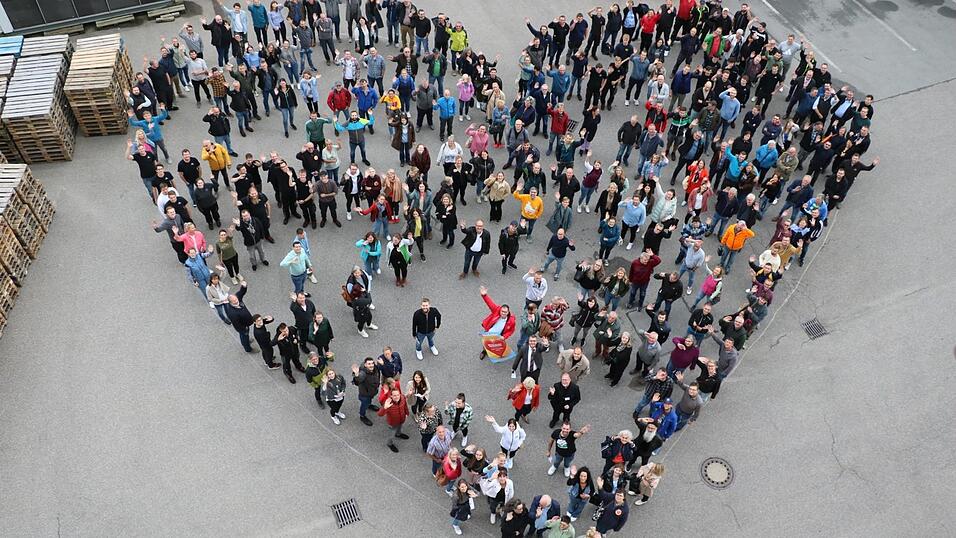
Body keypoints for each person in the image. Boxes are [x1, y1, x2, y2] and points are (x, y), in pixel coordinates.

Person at [477, 285, 516, 361]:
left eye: (505, 312)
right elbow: (490, 303)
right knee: (486, 344)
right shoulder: (496, 310)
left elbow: (511, 331)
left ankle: (496, 353)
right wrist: (484, 295)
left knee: (497, 345)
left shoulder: (511, 321)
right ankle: (484, 351)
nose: (503, 313)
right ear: (500, 310)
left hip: (499, 336)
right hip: (489, 333)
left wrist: (504, 337)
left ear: (508, 312)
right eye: (502, 311)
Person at [377, 387, 410, 453]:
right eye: (394, 395)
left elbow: (405, 406)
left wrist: (407, 413)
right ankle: (390, 444)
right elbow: (379, 414)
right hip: (392, 423)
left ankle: (398, 434)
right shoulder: (388, 404)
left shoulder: (402, 398)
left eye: (398, 395)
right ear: (391, 396)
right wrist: (385, 407)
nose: (397, 397)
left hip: (401, 419)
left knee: (400, 427)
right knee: (391, 435)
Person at [351, 357, 381, 426]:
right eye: (369, 364)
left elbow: (378, 373)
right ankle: (362, 416)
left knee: (369, 401)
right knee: (364, 405)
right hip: (365, 394)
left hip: (372, 391)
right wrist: (356, 375)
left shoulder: (375, 368)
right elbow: (358, 380)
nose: (371, 365)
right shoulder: (363, 373)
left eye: (372, 363)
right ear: (365, 365)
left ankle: (369, 405)